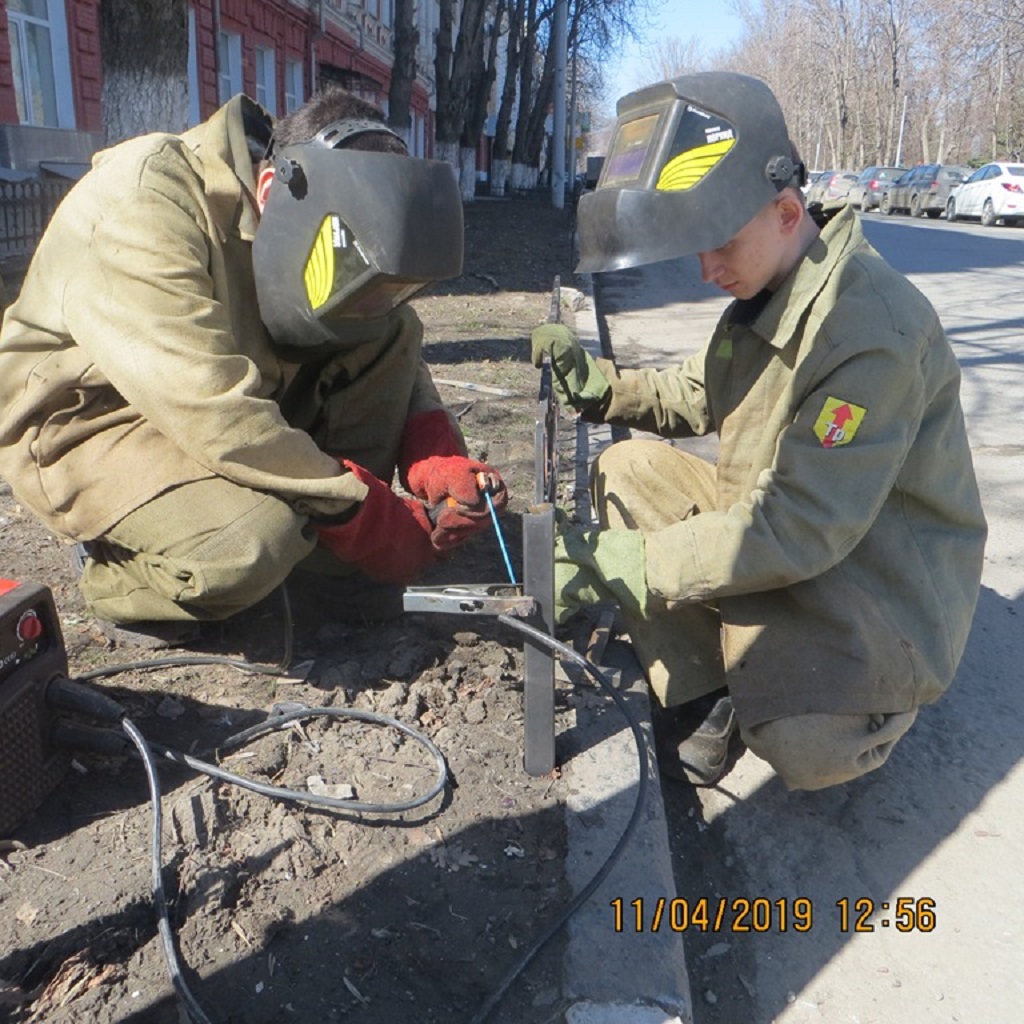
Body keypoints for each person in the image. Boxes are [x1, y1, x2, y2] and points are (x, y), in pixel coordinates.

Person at [532, 72, 986, 791]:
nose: (707, 271)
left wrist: (632, 563)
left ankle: (876, 707)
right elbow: (701, 389)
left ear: (783, 209)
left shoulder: (868, 331)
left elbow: (800, 527)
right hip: (790, 522)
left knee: (805, 745)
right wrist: (606, 390)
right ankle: (711, 687)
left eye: (719, 245)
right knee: (627, 474)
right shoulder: (774, 283)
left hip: (871, 577)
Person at [0, 87, 506, 645]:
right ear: (269, 190)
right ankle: (118, 568)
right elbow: (207, 402)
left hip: (233, 394)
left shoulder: (300, 205)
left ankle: (329, 562)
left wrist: (431, 448)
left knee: (386, 324)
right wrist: (365, 515)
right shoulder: (143, 199)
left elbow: (384, 331)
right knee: (250, 544)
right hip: (94, 417)